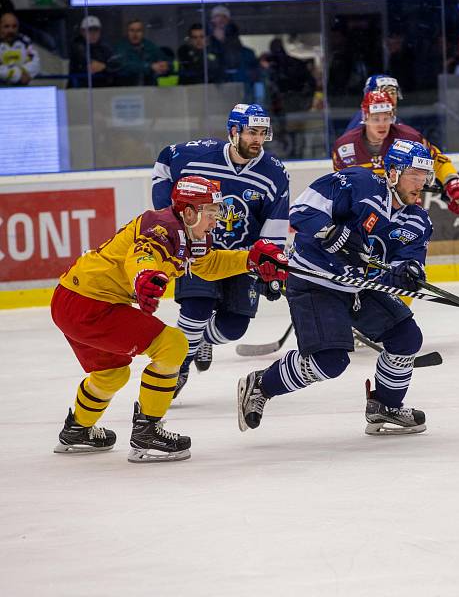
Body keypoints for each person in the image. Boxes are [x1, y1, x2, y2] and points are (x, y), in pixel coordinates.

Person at [51, 176, 286, 462]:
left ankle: (77, 429)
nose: (216, 220)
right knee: (173, 344)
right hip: (90, 304)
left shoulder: (190, 233)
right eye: (211, 212)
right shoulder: (162, 227)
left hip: (72, 299)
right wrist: (144, 275)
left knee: (111, 373)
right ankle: (147, 432)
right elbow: (142, 255)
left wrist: (249, 259)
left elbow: (208, 266)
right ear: (189, 212)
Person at [237, 140, 435, 436]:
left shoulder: (417, 220)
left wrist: (407, 274)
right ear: (392, 172)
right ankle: (261, 385)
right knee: (330, 361)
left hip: (358, 287)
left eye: (425, 177)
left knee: (406, 337)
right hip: (315, 281)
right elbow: (302, 211)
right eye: (415, 175)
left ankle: (385, 405)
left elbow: (408, 261)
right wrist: (331, 233)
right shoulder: (359, 183)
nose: (421, 184)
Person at [152, 104, 290, 397]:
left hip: (241, 259)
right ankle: (179, 365)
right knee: (195, 310)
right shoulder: (196, 154)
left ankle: (202, 342)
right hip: (199, 251)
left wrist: (271, 266)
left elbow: (275, 222)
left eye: (263, 133)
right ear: (233, 131)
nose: (258, 139)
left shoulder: (274, 173)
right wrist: (170, 217)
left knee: (234, 327)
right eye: (252, 132)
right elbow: (164, 162)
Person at [333, 90, 459, 216]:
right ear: (365, 117)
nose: (382, 124)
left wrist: (452, 181)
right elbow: (342, 186)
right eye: (376, 118)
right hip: (364, 215)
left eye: (386, 117)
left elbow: (438, 161)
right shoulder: (344, 147)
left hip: (404, 214)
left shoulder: (409, 138)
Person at [112, 19, 169, 86]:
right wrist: (149, 66)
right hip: (125, 89)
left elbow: (165, 60)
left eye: (138, 30)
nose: (135, 34)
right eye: (132, 30)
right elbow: (124, 66)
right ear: (127, 32)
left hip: (148, 89)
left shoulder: (150, 46)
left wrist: (164, 66)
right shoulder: (120, 47)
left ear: (143, 32)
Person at [68, 15, 116, 88]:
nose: (93, 34)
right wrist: (105, 67)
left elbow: (115, 65)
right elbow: (91, 65)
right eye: (90, 30)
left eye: (96, 30)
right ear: (82, 31)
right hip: (79, 90)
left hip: (103, 89)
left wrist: (105, 67)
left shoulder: (105, 48)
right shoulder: (77, 46)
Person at [0, 11, 39, 86]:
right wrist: (17, 75)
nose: (11, 30)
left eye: (14, 26)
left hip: (22, 87)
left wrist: (23, 72)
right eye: (6, 26)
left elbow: (35, 62)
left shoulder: (26, 42)